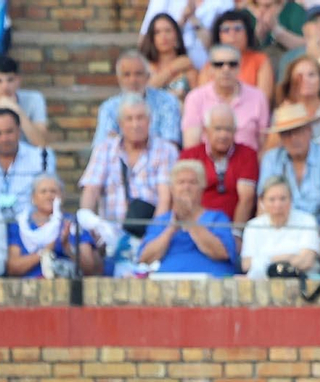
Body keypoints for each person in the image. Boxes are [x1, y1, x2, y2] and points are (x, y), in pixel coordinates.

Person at [79, 96, 178, 225]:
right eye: (129, 119)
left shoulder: (166, 150)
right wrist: (87, 224)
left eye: (140, 118)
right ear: (120, 124)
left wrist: (154, 235)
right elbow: (91, 189)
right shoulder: (105, 149)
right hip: (110, 232)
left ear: (149, 121)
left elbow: (165, 198)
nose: (135, 125)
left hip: (149, 232)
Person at [136, 159, 240, 275]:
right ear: (172, 188)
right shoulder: (161, 221)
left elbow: (222, 252)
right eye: (181, 182)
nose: (186, 187)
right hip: (166, 283)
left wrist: (190, 222)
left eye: (193, 182)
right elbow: (145, 258)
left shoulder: (217, 218)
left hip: (211, 282)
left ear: (202, 187)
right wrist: (171, 228)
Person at [260, 101, 320, 224]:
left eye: (298, 131)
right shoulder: (271, 159)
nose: (293, 138)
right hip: (280, 231)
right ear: (280, 138)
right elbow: (263, 206)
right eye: (287, 134)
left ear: (310, 130)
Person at [6, 175, 103, 278]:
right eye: (43, 191)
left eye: (53, 192)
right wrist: (45, 251)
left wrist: (67, 248)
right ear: (33, 198)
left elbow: (90, 267)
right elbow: (13, 268)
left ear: (62, 196)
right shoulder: (20, 226)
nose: (49, 196)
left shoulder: (72, 224)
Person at [0, 109, 56, 220]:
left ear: (19, 131)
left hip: (31, 223)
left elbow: (49, 196)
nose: (4, 139)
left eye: (9, 132)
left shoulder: (41, 157)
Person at [184, 103, 263, 227]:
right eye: (218, 129)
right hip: (196, 226)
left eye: (228, 129)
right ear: (206, 130)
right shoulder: (190, 156)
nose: (223, 135)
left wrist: (236, 234)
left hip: (232, 227)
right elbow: (184, 197)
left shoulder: (248, 154)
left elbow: (246, 199)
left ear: (235, 131)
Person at [184, 44, 274, 149]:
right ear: (210, 69)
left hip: (247, 162)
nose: (226, 69)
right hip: (207, 163)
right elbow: (191, 146)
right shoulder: (195, 98)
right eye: (219, 64)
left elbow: (263, 144)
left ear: (240, 67)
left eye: (232, 64)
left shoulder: (258, 97)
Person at [95, 51, 185, 150]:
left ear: (147, 76)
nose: (133, 80)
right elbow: (102, 147)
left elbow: (170, 144)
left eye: (138, 74)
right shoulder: (109, 108)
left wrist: (122, 140)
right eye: (127, 75)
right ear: (119, 79)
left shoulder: (167, 102)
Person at [241, 174, 320, 277]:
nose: (278, 205)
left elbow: (306, 261)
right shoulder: (253, 226)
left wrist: (264, 261)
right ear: (262, 201)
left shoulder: (307, 221)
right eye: (272, 199)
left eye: (283, 199)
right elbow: (246, 264)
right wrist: (288, 257)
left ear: (291, 199)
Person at [271, 54, 320, 151]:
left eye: (311, 75)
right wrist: (286, 118)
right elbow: (269, 154)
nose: (305, 80)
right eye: (299, 76)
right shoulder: (281, 113)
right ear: (290, 82)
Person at [200, 8, 279, 99]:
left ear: (247, 34)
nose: (232, 34)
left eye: (238, 29)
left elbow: (264, 99)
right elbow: (203, 99)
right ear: (218, 35)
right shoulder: (211, 64)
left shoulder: (260, 60)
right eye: (226, 30)